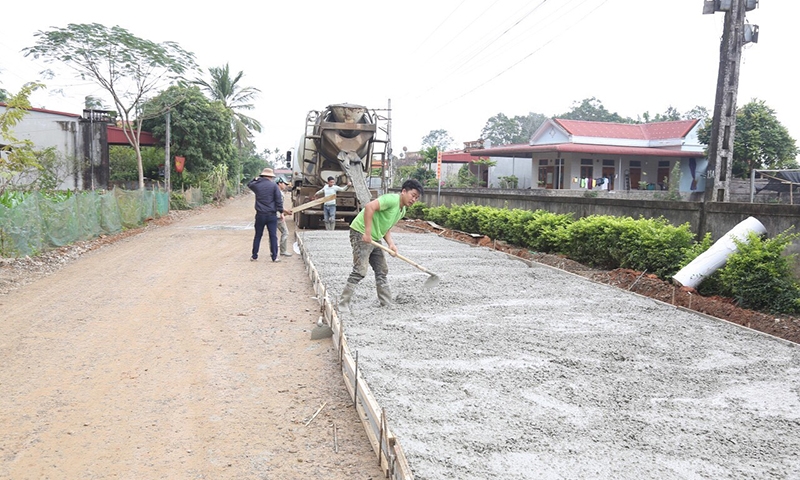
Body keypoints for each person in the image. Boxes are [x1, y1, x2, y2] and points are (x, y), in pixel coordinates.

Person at [338, 179, 424, 311]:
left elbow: (386, 227)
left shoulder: (402, 210)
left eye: (416, 198)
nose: (414, 200)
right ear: (404, 191)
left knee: (382, 270)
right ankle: (343, 304)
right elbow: (369, 207)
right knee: (360, 271)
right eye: (413, 195)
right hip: (361, 232)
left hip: (375, 237)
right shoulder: (391, 199)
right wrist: (367, 233)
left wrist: (391, 244)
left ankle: (387, 303)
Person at [248, 168, 291, 262]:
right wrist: (281, 212)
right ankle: (274, 257)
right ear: (270, 177)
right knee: (273, 236)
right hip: (271, 215)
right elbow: (278, 201)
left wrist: (255, 179)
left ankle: (254, 256)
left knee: (258, 235)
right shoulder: (273, 186)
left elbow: (249, 184)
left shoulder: (257, 185)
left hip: (260, 215)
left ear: (262, 176)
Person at [275, 177, 293, 257]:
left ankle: (273, 251)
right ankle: (283, 250)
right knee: (285, 232)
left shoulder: (273, 191)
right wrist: (286, 212)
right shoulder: (279, 193)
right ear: (279, 183)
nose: (285, 185)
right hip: (277, 216)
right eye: (284, 184)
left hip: (272, 215)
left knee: (272, 234)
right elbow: (279, 206)